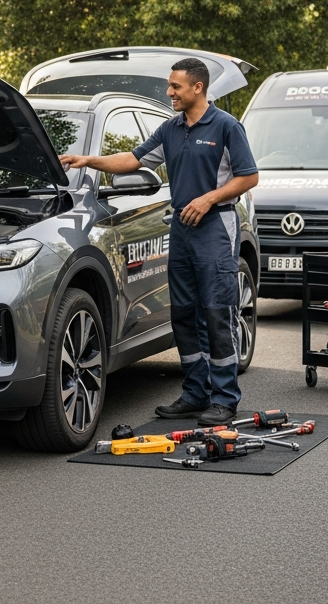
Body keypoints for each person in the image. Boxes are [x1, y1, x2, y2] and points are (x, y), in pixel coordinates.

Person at [60, 57, 259, 426]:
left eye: (176, 86)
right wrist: (87, 159)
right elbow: (132, 160)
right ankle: (195, 393)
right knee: (183, 312)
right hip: (182, 229)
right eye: (170, 86)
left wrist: (208, 198)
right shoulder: (171, 128)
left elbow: (249, 177)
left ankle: (225, 399)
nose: (169, 92)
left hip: (216, 226)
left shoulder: (227, 127)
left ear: (197, 87)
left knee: (217, 312)